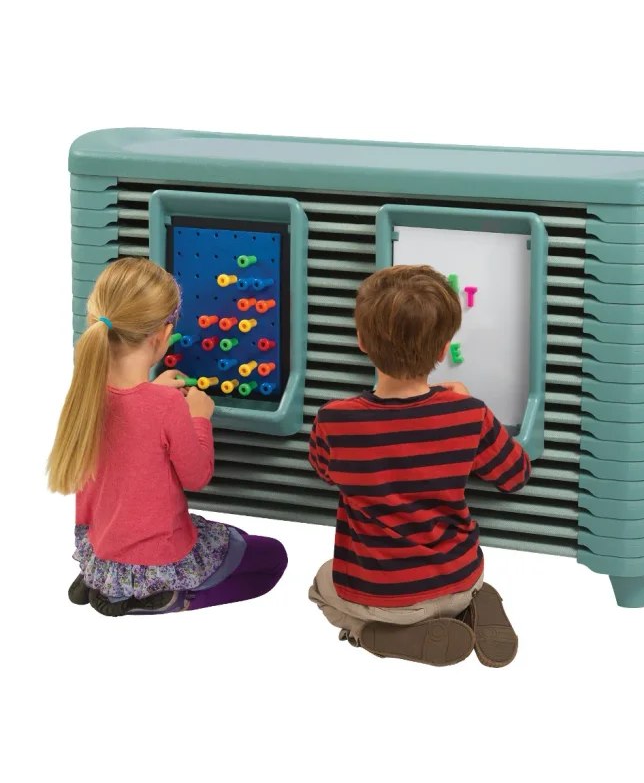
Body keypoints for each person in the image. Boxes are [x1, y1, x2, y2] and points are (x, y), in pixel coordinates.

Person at [308, 265, 530, 667]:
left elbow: (323, 472)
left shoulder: (334, 420)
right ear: (443, 350)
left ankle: (369, 632)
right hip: (461, 579)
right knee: (457, 585)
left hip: (381, 598)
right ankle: (471, 605)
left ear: (361, 341)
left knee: (322, 585)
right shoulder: (468, 414)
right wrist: (470, 405)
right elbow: (516, 475)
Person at [48, 257, 287, 617]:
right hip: (161, 561)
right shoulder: (166, 406)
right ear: (162, 335)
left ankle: (103, 583)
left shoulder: (85, 390)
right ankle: (174, 598)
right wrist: (199, 417)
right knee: (273, 558)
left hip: (101, 551)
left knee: (233, 535)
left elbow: (132, 413)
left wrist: (154, 392)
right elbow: (197, 477)